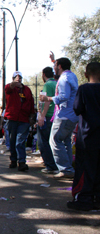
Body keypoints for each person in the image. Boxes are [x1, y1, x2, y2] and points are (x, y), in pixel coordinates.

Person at [67, 62, 100, 211]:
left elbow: (77, 108)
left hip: (87, 135)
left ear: (86, 74)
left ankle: (84, 198)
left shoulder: (84, 89)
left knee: (85, 167)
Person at [40, 57, 78, 179]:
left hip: (64, 115)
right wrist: (53, 60)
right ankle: (68, 168)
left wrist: (48, 99)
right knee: (65, 141)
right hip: (72, 115)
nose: (53, 68)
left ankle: (66, 169)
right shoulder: (72, 76)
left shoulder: (63, 79)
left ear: (60, 66)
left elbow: (63, 96)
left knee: (55, 140)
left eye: (55, 65)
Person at [4, 71, 34, 171]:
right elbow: (8, 88)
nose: (18, 78)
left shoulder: (27, 90)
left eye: (20, 77)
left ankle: (22, 162)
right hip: (12, 118)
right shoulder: (9, 88)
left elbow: (31, 103)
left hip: (24, 119)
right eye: (16, 77)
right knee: (12, 141)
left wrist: (32, 116)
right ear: (12, 79)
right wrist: (14, 83)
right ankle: (13, 160)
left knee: (19, 141)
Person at [37, 67, 58, 174]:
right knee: (54, 142)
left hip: (48, 116)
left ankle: (50, 165)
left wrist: (42, 117)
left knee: (43, 142)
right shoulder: (57, 83)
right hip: (56, 116)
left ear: (43, 74)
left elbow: (46, 102)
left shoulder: (47, 85)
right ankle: (56, 164)